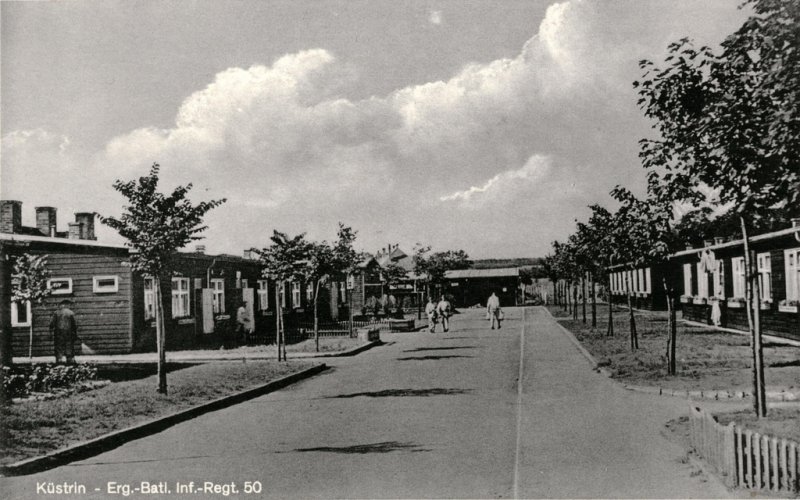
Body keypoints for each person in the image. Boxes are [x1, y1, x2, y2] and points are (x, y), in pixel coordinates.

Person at [49, 299, 77, 363]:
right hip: (68, 333)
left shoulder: (56, 313)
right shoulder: (71, 313)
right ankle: (70, 361)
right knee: (69, 347)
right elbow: (74, 325)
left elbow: (52, 324)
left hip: (58, 333)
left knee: (59, 347)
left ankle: (59, 361)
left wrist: (50, 332)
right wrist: (75, 334)